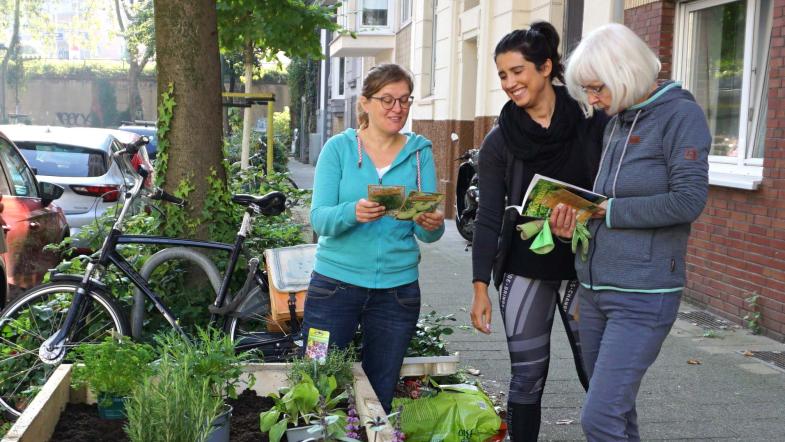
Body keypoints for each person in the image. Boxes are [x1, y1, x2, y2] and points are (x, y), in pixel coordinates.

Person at [561, 23, 710, 441]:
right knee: (615, 412)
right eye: (587, 90)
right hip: (594, 290)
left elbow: (687, 202)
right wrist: (578, 213)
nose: (592, 99)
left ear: (623, 72)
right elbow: (608, 199)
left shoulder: (681, 116)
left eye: (596, 88)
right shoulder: (617, 121)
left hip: (643, 295)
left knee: (599, 417)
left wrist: (607, 211)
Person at [469, 22, 607, 441]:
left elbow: (613, 190)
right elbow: (489, 217)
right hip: (524, 269)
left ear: (545, 67)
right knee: (527, 378)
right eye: (503, 75)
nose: (510, 83)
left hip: (585, 266)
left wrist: (590, 214)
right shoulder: (500, 141)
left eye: (517, 71)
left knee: (600, 376)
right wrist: (479, 287)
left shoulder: (591, 121)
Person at [303, 63, 445, 412]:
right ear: (364, 103)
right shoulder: (337, 149)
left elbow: (431, 233)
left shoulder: (420, 153)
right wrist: (353, 212)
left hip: (397, 293)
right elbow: (319, 218)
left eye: (404, 100)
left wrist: (430, 222)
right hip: (333, 287)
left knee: (381, 390)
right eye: (387, 99)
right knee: (313, 378)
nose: (398, 108)